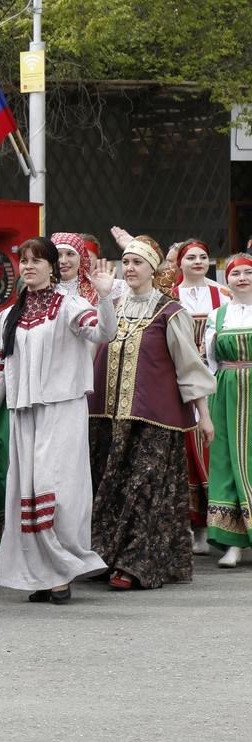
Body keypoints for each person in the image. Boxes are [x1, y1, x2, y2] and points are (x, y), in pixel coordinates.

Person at [0, 237, 116, 605]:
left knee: (57, 490)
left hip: (62, 409)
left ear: (52, 266)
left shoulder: (70, 305)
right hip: (24, 413)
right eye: (24, 261)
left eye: (37, 260)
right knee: (28, 492)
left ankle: (62, 570)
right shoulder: (8, 316)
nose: (28, 266)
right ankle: (43, 574)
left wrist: (106, 297)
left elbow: (102, 333)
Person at [88, 236, 216, 590]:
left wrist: (203, 416)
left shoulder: (170, 312)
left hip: (153, 421)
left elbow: (189, 368)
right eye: (125, 262)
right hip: (107, 419)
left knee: (143, 490)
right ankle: (108, 555)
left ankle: (135, 563)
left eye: (137, 263)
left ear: (153, 269)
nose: (129, 269)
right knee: (110, 487)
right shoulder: (110, 306)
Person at [170, 239, 231, 553]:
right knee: (185, 451)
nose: (197, 261)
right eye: (190, 257)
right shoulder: (171, 296)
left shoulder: (223, 294)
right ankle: (193, 526)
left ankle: (216, 523)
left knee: (211, 445)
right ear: (179, 262)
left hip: (214, 376)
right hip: (178, 378)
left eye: (203, 257)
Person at [204, 254, 252, 567]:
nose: (243, 278)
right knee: (224, 462)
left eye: (249, 272)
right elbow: (208, 362)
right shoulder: (217, 316)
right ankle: (232, 543)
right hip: (225, 392)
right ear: (227, 279)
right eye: (236, 273)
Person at [52, 231, 123, 304]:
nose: (63, 261)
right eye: (58, 255)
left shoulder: (110, 285)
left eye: (88, 257)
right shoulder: (47, 286)